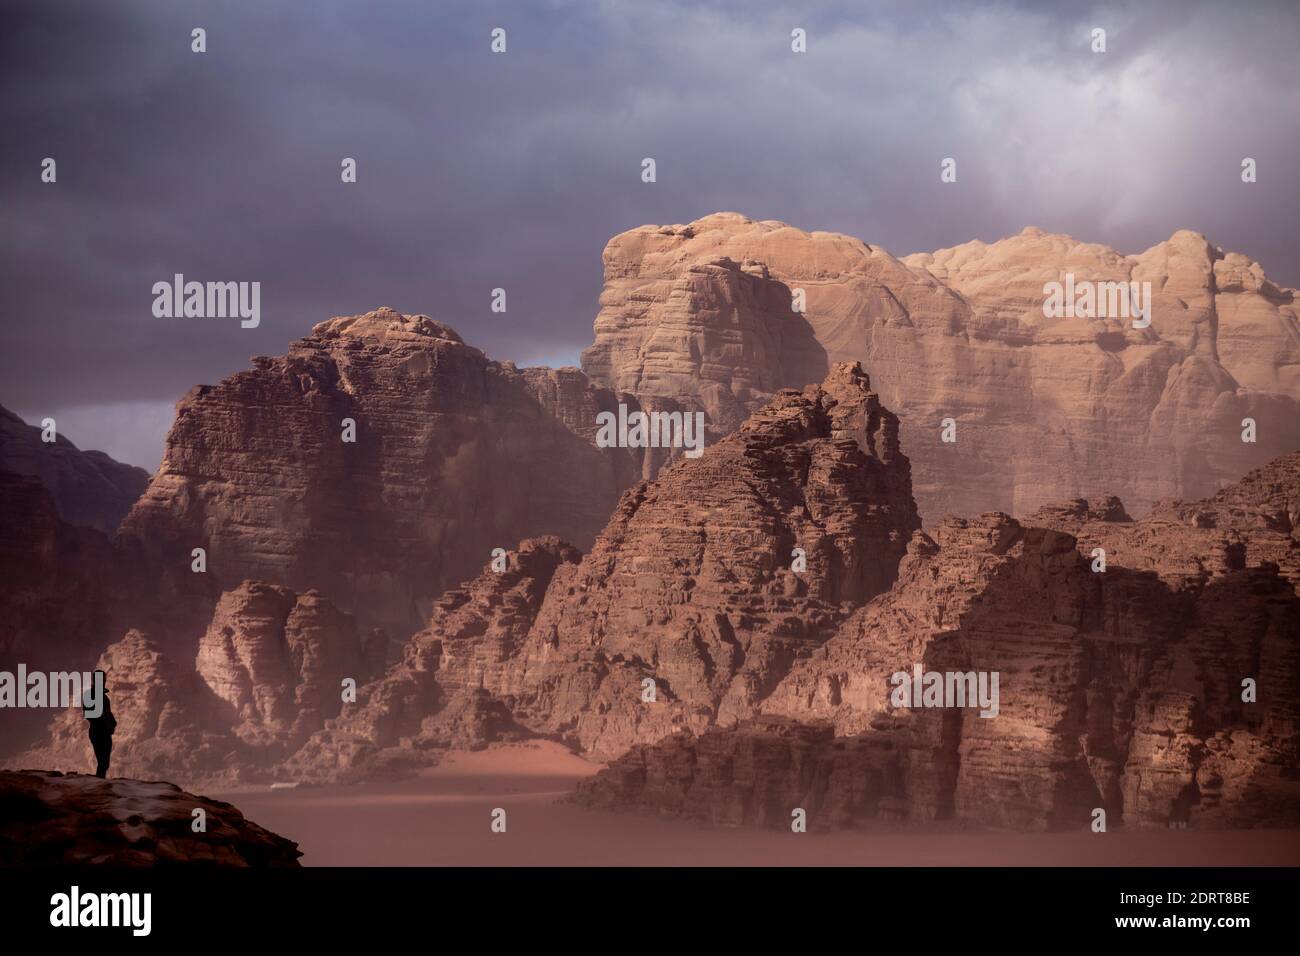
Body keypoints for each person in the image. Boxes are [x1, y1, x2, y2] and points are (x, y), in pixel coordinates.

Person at [85, 689, 116, 778]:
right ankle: (99, 781)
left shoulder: (105, 698)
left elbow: (108, 713)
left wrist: (112, 723)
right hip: (97, 732)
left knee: (105, 761)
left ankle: (100, 779)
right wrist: (105, 722)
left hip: (105, 732)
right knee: (102, 760)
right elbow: (89, 715)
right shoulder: (90, 696)